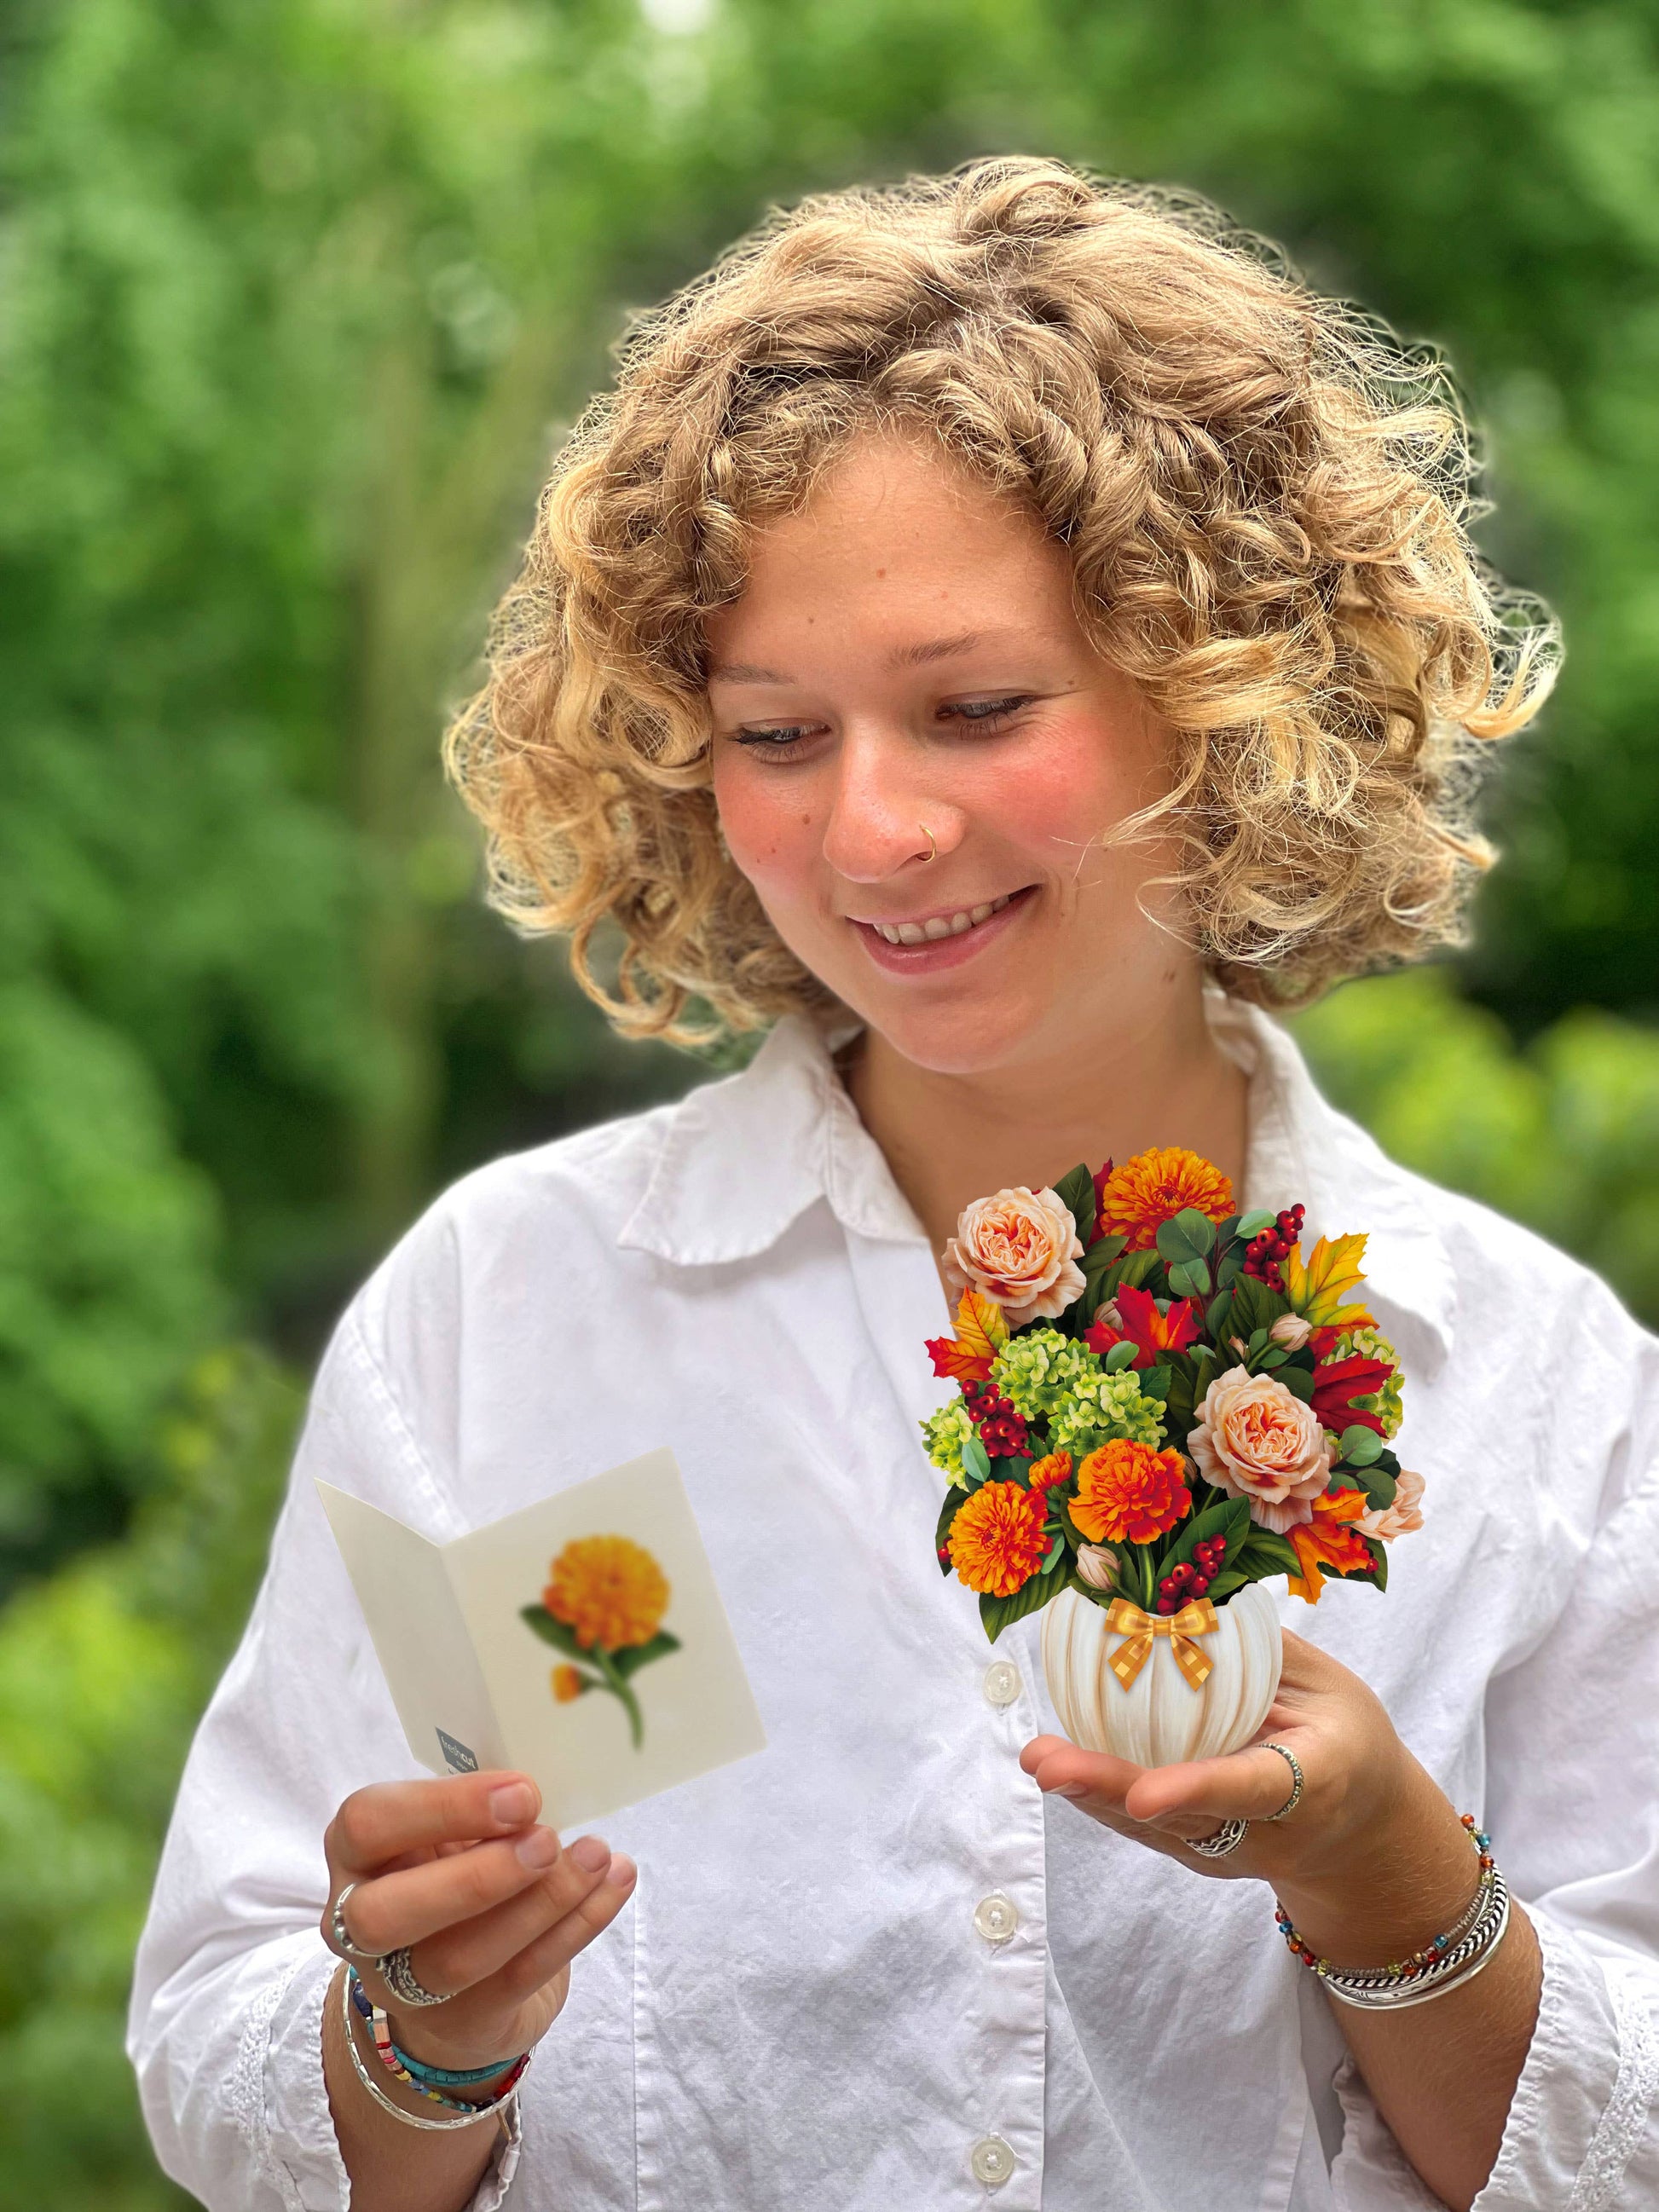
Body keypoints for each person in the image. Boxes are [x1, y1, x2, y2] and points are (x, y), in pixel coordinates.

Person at [129, 156, 1659, 2212]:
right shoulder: (512, 1313)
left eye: (976, 708)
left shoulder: (1533, 1385)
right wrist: (415, 2029)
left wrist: (1395, 1886)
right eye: (773, 730)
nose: (872, 830)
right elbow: (224, 2056)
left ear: (1219, 688)